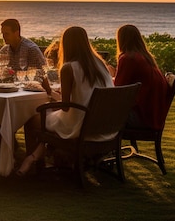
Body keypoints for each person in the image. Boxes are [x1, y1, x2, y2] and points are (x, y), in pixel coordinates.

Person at [17, 26, 113, 176]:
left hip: (79, 125)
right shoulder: (100, 64)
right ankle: (45, 156)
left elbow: (66, 107)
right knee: (49, 112)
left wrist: (48, 91)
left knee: (33, 118)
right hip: (103, 124)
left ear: (65, 45)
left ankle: (36, 162)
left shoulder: (69, 68)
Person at [113, 24, 170, 130]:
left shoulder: (128, 58)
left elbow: (117, 91)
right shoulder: (145, 58)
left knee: (95, 114)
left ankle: (96, 145)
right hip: (152, 117)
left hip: (141, 118)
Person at [0, 18, 52, 95]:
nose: (3, 37)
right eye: (2, 34)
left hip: (30, 91)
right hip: (10, 90)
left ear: (16, 33)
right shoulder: (4, 50)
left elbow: (42, 74)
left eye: (7, 34)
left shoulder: (31, 49)